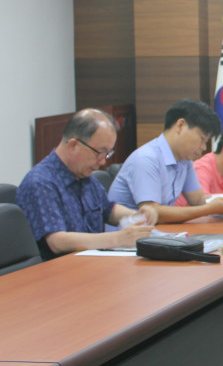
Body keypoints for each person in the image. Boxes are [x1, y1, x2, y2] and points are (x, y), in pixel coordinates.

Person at [16, 109, 156, 260]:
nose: (103, 161)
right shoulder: (40, 182)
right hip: (59, 269)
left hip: (90, 263)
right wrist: (117, 238)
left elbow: (108, 210)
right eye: (99, 152)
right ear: (73, 145)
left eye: (107, 153)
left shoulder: (84, 176)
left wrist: (138, 215)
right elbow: (57, 241)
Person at [109, 99, 223, 223]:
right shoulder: (146, 159)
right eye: (202, 139)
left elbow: (198, 199)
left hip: (157, 231)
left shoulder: (184, 161)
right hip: (128, 233)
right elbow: (153, 212)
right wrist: (208, 209)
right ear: (180, 125)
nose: (204, 147)